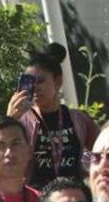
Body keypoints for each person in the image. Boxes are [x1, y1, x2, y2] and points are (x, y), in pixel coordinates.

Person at [7, 43, 99, 190]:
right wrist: (9, 122)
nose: (35, 88)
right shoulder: (22, 122)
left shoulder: (79, 120)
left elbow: (104, 151)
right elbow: (6, 160)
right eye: (30, 82)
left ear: (57, 82)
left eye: (40, 81)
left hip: (75, 197)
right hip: (38, 198)